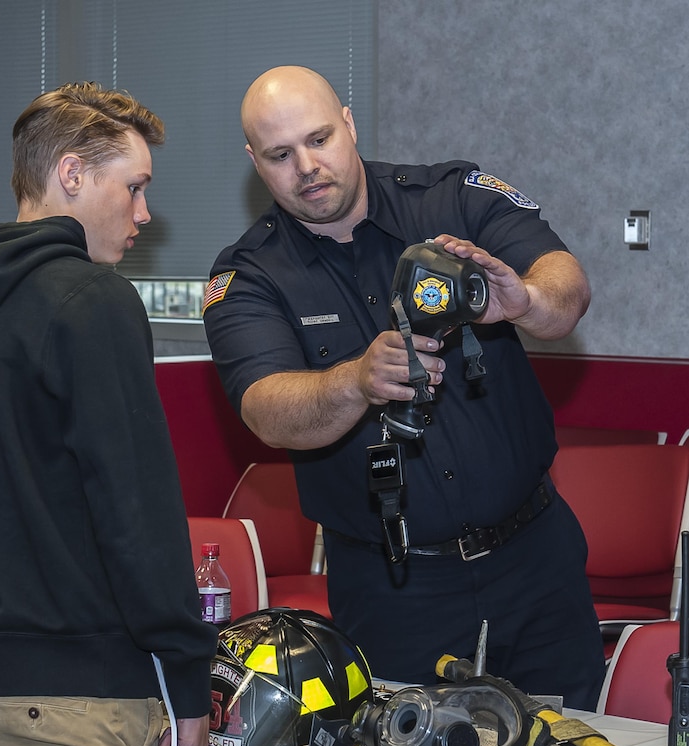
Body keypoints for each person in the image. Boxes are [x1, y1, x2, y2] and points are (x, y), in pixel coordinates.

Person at [202, 65, 605, 709]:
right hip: (392, 586)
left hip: (533, 561)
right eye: (281, 155)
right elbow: (266, 410)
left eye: (320, 138)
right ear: (254, 161)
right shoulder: (248, 275)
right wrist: (356, 382)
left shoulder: (451, 199)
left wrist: (524, 299)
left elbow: (568, 290)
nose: (307, 165)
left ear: (350, 124)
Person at [0, 81, 217, 746]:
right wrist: (186, 678)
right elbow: (134, 509)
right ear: (72, 174)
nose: (144, 214)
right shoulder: (92, 299)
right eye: (134, 187)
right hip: (77, 707)